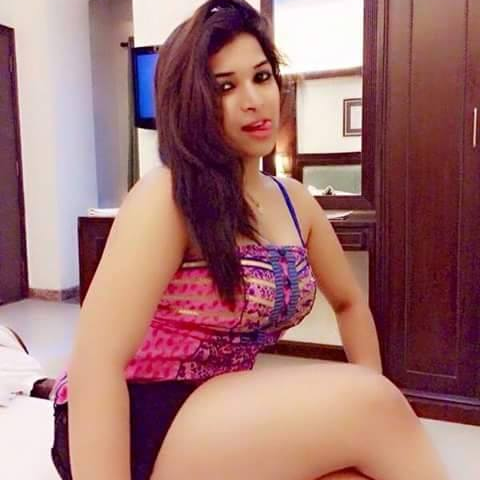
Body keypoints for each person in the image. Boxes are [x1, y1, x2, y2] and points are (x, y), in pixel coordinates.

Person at [50, 1, 451, 479]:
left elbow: (349, 303)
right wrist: (369, 404)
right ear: (192, 101)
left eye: (261, 77)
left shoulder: (295, 202)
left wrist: (362, 400)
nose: (254, 100)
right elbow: (96, 362)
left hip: (217, 409)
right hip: (133, 415)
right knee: (374, 405)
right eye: (225, 87)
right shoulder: (168, 197)